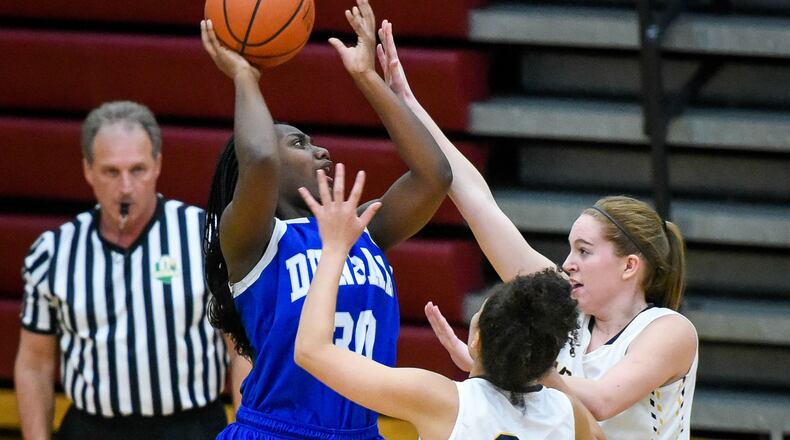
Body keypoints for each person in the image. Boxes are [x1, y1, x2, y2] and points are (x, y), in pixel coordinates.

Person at [374, 21, 698, 440]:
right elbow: (477, 203)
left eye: (584, 251)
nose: (568, 264)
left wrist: (515, 359)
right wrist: (409, 106)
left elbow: (600, 402)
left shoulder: (667, 330)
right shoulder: (564, 309)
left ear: (629, 265)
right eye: (570, 250)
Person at [200, 0, 452, 437]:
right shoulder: (252, 241)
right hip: (277, 430)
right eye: (298, 143)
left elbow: (434, 177)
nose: (321, 151)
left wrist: (366, 77)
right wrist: (246, 75)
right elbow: (258, 156)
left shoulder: (357, 230)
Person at [293, 164, 605, 440]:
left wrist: (334, 248)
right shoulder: (566, 414)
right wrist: (533, 361)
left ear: (477, 340)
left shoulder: (441, 399)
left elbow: (311, 351)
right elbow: (595, 433)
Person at [15, 101, 245, 440]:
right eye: (111, 172)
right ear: (88, 170)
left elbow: (239, 349)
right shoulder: (53, 252)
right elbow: (34, 365)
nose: (125, 187)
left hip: (191, 427)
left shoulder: (205, 237)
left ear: (157, 166)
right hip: (92, 429)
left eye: (137, 169)